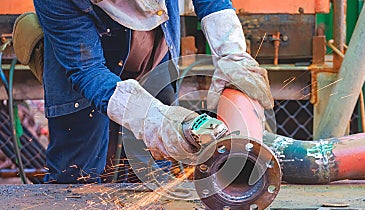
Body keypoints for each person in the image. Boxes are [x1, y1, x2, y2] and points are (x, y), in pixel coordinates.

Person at [32, 0, 273, 183]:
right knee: (76, 178)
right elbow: (88, 70)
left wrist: (232, 53)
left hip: (153, 48)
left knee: (152, 179)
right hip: (84, 61)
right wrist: (155, 121)